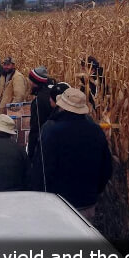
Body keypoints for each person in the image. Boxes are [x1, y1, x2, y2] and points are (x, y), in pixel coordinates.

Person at [31, 88, 112, 222]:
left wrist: (40, 196)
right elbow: (106, 168)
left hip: (58, 204)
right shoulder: (96, 131)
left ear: (62, 107)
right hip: (87, 202)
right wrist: (94, 192)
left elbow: (41, 169)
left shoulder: (51, 131)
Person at [27, 66, 54, 161]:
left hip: (43, 143)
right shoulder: (52, 93)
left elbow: (36, 128)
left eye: (31, 80)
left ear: (35, 82)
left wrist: (30, 152)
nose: (29, 83)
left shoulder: (39, 101)